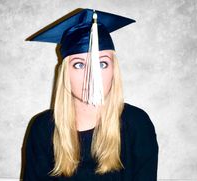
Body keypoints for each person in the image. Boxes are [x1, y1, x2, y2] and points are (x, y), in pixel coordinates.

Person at [22, 8, 159, 181]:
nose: (91, 76)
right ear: (65, 73)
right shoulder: (43, 128)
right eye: (79, 65)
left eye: (102, 64)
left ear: (114, 71)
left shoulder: (136, 124)